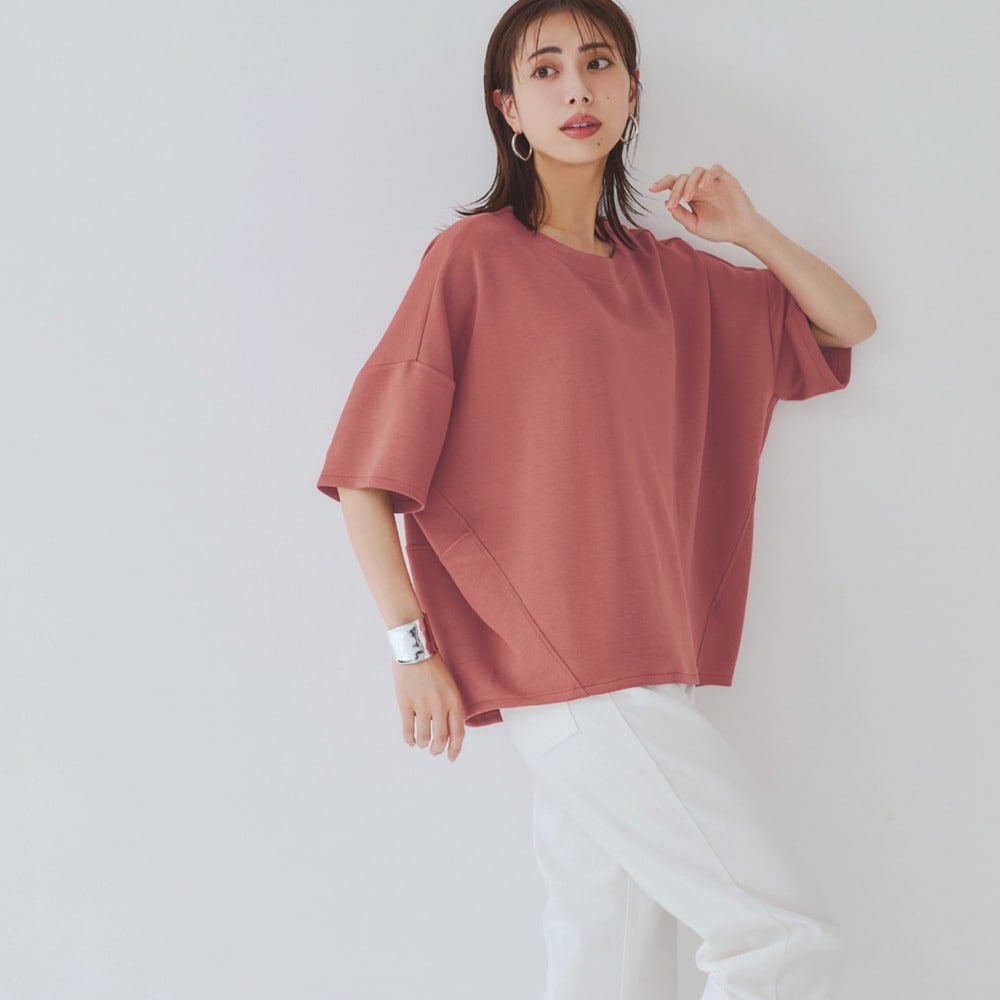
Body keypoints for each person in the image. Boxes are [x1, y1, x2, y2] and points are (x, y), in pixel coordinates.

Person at [316, 1, 876, 997]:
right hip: (577, 678)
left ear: (630, 92)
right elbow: (367, 473)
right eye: (544, 70)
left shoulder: (671, 278)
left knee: (607, 962)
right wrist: (411, 651)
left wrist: (749, 230)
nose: (575, 88)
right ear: (508, 108)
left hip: (647, 667)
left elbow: (846, 324)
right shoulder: (474, 261)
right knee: (781, 937)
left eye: (598, 63)